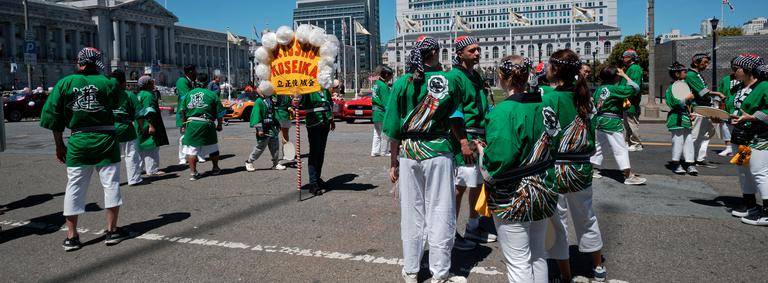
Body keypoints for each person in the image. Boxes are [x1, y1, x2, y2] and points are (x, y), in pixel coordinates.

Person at [383, 36, 467, 283]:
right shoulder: (450, 80)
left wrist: (393, 162)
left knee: (411, 212)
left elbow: (393, 129)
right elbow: (456, 118)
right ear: (434, 53)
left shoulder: (400, 84)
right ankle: (440, 272)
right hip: (438, 151)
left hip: (409, 153)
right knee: (440, 211)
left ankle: (411, 270)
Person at [39, 47, 130, 251]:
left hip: (78, 140)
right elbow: (119, 100)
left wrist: (59, 145)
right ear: (98, 63)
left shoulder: (64, 83)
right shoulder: (108, 83)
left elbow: (54, 118)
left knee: (74, 187)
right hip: (106, 139)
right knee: (111, 185)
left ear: (79, 62)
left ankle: (72, 236)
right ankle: (111, 231)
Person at [482, 55, 558, 283]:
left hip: (514, 195)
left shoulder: (502, 112)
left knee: (518, 262)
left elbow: (499, 159)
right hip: (544, 186)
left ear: (502, 77)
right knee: (537, 255)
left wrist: (481, 154)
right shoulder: (546, 105)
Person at [543, 49, 606, 282]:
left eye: (549, 64)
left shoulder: (549, 98)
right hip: (581, 167)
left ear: (556, 69)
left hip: (557, 167)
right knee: (586, 216)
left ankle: (565, 274)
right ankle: (598, 267)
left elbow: (547, 135)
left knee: (557, 222)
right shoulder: (586, 97)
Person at [446, 36, 496, 252]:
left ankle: (473, 226)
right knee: (460, 186)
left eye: (478, 49)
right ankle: (450, 233)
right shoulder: (454, 77)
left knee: (477, 183)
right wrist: (464, 142)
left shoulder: (475, 75)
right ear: (460, 53)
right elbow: (453, 112)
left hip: (480, 136)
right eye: (472, 50)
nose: (478, 53)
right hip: (464, 138)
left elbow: (484, 106)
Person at [590, 66, 647, 185]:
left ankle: (591, 169)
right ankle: (628, 175)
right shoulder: (615, 89)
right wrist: (625, 75)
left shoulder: (599, 89)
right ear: (615, 76)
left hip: (600, 119)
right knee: (620, 148)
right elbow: (635, 88)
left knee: (601, 145)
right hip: (611, 120)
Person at [727, 55, 766, 220]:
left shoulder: (764, 86)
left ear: (749, 70)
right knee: (743, 171)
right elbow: (732, 110)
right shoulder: (737, 88)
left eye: (737, 69)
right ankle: (750, 206)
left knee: (760, 172)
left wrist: (753, 117)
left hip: (760, 136)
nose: (734, 72)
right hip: (740, 137)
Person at [180, 73, 225, 180]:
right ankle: (215, 168)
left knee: (192, 149)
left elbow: (182, 111)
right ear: (206, 83)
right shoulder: (211, 94)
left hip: (191, 124)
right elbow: (220, 113)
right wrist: (219, 125)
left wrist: (183, 124)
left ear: (196, 82)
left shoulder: (188, 94)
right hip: (206, 123)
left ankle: (193, 173)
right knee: (213, 148)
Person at [293, 87, 336, 195]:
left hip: (325, 123)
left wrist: (331, 120)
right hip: (314, 123)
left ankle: (317, 179)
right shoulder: (308, 88)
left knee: (321, 152)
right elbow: (299, 100)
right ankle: (313, 183)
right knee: (314, 152)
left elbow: (328, 104)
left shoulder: (325, 89)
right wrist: (296, 100)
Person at [686, 53, 726, 168]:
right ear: (695, 62)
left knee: (706, 134)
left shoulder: (697, 75)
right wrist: (717, 93)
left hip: (705, 108)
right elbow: (702, 92)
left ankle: (699, 159)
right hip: (698, 108)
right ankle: (690, 160)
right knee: (696, 135)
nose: (706, 65)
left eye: (707, 62)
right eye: (704, 62)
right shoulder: (691, 75)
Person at [111, 69, 145, 186]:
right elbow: (139, 113)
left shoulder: (107, 94)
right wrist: (141, 127)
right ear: (123, 82)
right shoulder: (129, 95)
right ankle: (133, 179)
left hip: (110, 127)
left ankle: (112, 181)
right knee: (131, 154)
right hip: (126, 127)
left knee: (113, 156)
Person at [665, 62, 698, 175]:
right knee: (678, 141)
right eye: (684, 72)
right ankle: (676, 163)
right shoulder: (672, 87)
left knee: (688, 140)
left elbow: (691, 102)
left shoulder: (684, 85)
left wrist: (693, 112)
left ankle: (690, 163)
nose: (686, 73)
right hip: (676, 117)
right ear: (677, 74)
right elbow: (674, 103)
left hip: (685, 117)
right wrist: (686, 97)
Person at [245, 88, 287, 171]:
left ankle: (275, 163)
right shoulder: (259, 102)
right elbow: (256, 115)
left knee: (275, 147)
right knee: (260, 147)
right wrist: (259, 129)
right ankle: (249, 161)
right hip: (263, 128)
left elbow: (273, 114)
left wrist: (277, 125)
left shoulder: (270, 100)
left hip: (272, 127)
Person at [136, 75, 170, 176]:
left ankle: (139, 168)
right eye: (151, 82)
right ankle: (152, 169)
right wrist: (151, 125)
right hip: (148, 123)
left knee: (141, 147)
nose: (153, 83)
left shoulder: (140, 94)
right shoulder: (148, 95)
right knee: (152, 146)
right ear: (147, 84)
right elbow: (149, 111)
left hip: (140, 124)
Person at [620, 49, 644, 152]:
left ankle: (636, 143)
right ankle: (629, 142)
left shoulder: (634, 68)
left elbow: (634, 86)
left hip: (631, 101)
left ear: (630, 58)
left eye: (624, 57)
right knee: (627, 122)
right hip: (627, 100)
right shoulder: (630, 68)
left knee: (632, 122)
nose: (623, 59)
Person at [718, 57, 740, 157]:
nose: (735, 68)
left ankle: (740, 149)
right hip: (727, 108)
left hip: (740, 110)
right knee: (725, 127)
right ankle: (728, 147)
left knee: (738, 129)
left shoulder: (747, 80)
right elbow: (721, 94)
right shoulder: (726, 79)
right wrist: (719, 109)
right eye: (733, 66)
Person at [176, 65, 198, 164]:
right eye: (195, 71)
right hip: (183, 112)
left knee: (190, 136)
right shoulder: (182, 81)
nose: (196, 73)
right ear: (190, 71)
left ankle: (191, 155)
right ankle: (182, 157)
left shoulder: (191, 81)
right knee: (184, 136)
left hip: (190, 112)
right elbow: (187, 95)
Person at [371, 66, 394, 157]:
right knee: (385, 132)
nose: (391, 78)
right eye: (391, 76)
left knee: (376, 133)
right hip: (381, 112)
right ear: (386, 75)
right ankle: (383, 151)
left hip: (375, 112)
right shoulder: (383, 86)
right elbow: (387, 102)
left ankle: (375, 151)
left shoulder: (376, 83)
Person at [275, 94, 295, 163]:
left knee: (285, 136)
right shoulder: (276, 90)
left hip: (285, 115)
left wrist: (290, 108)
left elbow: (290, 103)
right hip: (277, 114)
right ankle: (276, 157)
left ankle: (286, 154)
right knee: (275, 137)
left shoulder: (287, 91)